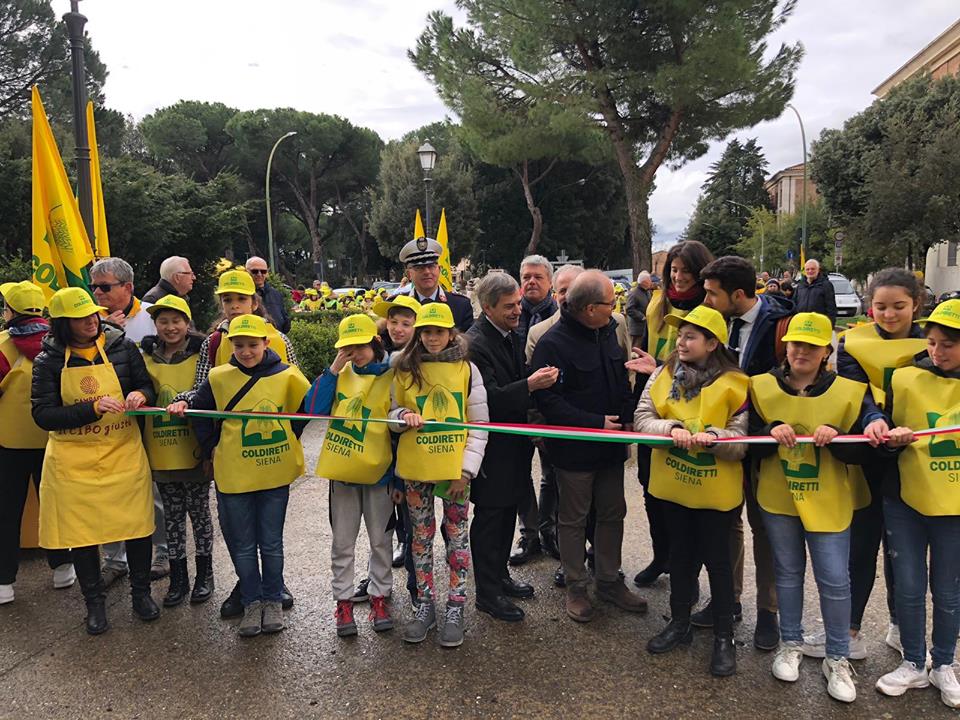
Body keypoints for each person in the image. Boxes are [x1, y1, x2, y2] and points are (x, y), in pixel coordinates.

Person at [750, 312, 866, 703]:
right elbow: (748, 437)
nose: (801, 351)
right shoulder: (761, 385)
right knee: (787, 572)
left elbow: (867, 440)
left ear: (826, 352)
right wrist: (769, 430)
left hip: (829, 497)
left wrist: (840, 436)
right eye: (796, 343)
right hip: (779, 494)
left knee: (834, 578)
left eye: (812, 346)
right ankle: (791, 643)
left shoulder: (850, 390)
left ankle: (837, 656)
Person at [31, 287, 158, 635]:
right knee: (82, 533)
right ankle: (94, 603)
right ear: (63, 323)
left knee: (136, 526)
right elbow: (43, 415)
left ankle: (141, 594)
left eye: (93, 314)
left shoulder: (121, 346)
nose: (91, 321)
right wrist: (92, 408)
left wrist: (140, 394)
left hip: (122, 451)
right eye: (81, 318)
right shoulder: (48, 360)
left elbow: (146, 385)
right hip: (73, 460)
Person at [815, 268, 927, 660]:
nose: (889, 314)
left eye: (899, 306)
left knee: (903, 551)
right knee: (861, 544)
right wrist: (873, 419)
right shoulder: (853, 342)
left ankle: (901, 627)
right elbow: (855, 390)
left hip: (916, 455)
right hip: (867, 453)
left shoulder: (932, 342)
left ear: (916, 304)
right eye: (880, 306)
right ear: (870, 306)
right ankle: (851, 629)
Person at [176, 268, 298, 618]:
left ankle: (272, 588)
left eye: (240, 299)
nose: (233, 306)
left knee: (269, 533)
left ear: (254, 301)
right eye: (227, 300)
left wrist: (290, 439)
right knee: (236, 530)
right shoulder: (214, 342)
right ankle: (246, 589)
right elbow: (202, 391)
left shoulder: (279, 340)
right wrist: (200, 429)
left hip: (267, 451)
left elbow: (295, 397)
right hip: (230, 453)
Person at [635, 305, 747, 677]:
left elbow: (743, 437)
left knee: (718, 562)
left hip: (715, 494)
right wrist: (670, 429)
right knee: (681, 557)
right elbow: (643, 418)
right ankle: (679, 622)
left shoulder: (737, 384)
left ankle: (724, 636)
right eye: (680, 335)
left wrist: (715, 438)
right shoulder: (662, 375)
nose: (680, 342)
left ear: (712, 343)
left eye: (690, 337)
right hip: (673, 487)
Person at [531, 270, 646, 623]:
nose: (616, 309)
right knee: (573, 519)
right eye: (611, 303)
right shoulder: (552, 344)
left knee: (612, 513)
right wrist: (594, 423)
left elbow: (621, 381)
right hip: (575, 452)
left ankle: (608, 580)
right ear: (590, 308)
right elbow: (548, 402)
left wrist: (628, 414)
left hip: (610, 449)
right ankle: (577, 587)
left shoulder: (609, 331)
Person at [698, 255, 794, 650]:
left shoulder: (781, 327)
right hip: (722, 441)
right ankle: (728, 599)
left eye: (712, 294)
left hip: (763, 444)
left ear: (738, 294)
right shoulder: (714, 325)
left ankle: (768, 612)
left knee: (764, 528)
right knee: (725, 523)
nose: (706, 300)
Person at [874, 299, 960, 709]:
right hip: (904, 499)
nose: (937, 352)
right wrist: (890, 439)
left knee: (948, 588)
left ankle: (943, 663)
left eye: (948, 345)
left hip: (954, 505)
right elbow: (881, 430)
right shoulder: (905, 377)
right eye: (932, 342)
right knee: (908, 585)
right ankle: (912, 661)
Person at [390, 302, 488, 647]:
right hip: (417, 469)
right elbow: (391, 413)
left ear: (451, 333)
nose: (432, 338)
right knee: (420, 537)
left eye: (439, 332)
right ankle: (425, 604)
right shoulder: (404, 368)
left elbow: (479, 423)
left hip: (454, 473)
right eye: (426, 332)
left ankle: (456, 606)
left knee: (457, 539)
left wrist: (466, 470)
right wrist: (402, 417)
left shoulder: (467, 370)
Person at [467, 273, 558, 623]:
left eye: (518, 303)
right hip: (492, 449)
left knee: (506, 515)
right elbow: (488, 398)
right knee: (491, 519)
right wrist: (530, 385)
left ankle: (500, 577)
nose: (518, 310)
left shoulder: (507, 334)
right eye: (509, 306)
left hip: (513, 445)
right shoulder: (475, 343)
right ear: (487, 307)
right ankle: (487, 593)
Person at [307, 314, 398, 637]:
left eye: (360, 346)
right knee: (342, 542)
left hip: (379, 475)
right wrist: (333, 369)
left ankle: (379, 597)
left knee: (381, 541)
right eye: (348, 348)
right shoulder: (339, 374)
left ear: (376, 342)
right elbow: (313, 410)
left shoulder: (393, 375)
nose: (355, 354)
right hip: (343, 474)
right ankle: (343, 602)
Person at [633, 241, 714, 590]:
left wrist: (659, 366)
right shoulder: (657, 302)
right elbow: (646, 351)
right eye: (674, 270)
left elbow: (713, 365)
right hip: (656, 408)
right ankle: (661, 556)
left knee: (688, 500)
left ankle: (688, 574)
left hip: (693, 414)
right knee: (651, 489)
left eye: (686, 271)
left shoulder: (710, 308)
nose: (679, 278)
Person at [89, 257, 166, 584]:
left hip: (147, 416)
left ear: (128, 287)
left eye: (105, 287)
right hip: (105, 422)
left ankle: (162, 550)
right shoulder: (89, 322)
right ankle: (114, 558)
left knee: (154, 490)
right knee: (108, 491)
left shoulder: (152, 316)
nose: (97, 293)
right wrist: (106, 331)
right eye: (93, 287)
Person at [0, 281, 74, 604]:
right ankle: (63, 568)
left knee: (7, 511)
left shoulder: (3, 346)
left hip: (9, 444)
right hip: (54, 439)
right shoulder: (59, 343)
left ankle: (4, 582)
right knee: (54, 504)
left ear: (10, 311)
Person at [140, 296, 214, 608]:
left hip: (193, 448)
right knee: (171, 517)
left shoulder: (201, 355)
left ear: (187, 323)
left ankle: (205, 575)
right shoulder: (145, 356)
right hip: (161, 449)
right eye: (163, 321)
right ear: (155, 325)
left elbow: (207, 392)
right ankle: (178, 577)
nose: (170, 327)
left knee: (199, 514)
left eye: (176, 321)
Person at [511, 255, 558, 564]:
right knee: (519, 474)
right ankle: (529, 535)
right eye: (526, 276)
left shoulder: (560, 316)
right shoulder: (511, 312)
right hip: (517, 406)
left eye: (538, 277)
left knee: (552, 473)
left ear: (550, 282)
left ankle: (549, 530)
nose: (531, 282)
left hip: (550, 409)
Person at [394, 237, 473, 332]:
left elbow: (467, 339)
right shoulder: (396, 305)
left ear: (439, 269)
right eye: (420, 267)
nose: (427, 272)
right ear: (408, 274)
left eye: (431, 266)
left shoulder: (460, 305)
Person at [245, 257, 291, 334]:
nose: (259, 274)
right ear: (246, 272)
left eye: (263, 271)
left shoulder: (276, 294)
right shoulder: (242, 295)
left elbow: (284, 320)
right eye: (255, 271)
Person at [794, 259, 837, 326]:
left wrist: (831, 325)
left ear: (818, 270)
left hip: (819, 324)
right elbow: (795, 303)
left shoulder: (826, 285)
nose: (810, 271)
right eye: (807, 269)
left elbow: (831, 308)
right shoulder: (800, 285)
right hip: (801, 323)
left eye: (813, 269)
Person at [626, 271, 653, 349]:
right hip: (637, 330)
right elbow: (629, 309)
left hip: (645, 328)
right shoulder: (634, 294)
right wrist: (642, 317)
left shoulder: (648, 292)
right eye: (649, 280)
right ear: (644, 282)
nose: (651, 282)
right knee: (636, 350)